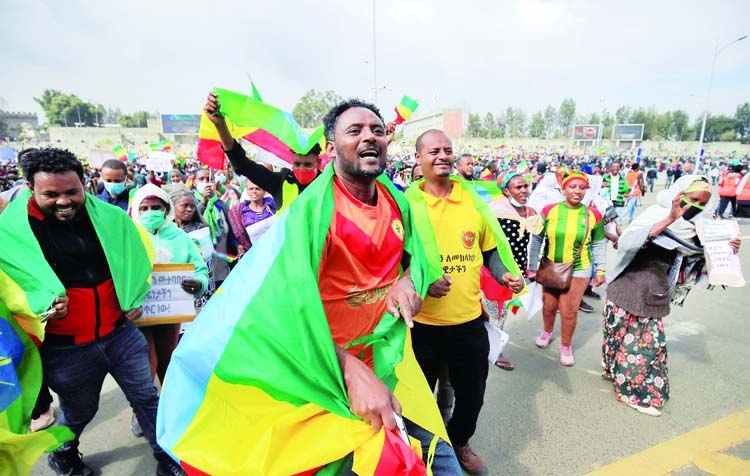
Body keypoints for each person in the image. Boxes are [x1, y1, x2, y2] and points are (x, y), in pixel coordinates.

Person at [165, 98, 451, 474]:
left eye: (377, 130)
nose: (369, 137)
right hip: (319, 371)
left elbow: (421, 258)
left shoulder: (398, 201)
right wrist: (349, 369)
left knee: (434, 460)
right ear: (331, 150)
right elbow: (283, 309)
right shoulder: (307, 215)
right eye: (355, 131)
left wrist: (407, 281)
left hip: (387, 363)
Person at [0, 148, 185, 476]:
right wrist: (37, 307)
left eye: (72, 192)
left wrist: (133, 294)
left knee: (147, 397)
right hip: (66, 348)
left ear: (85, 183)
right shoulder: (11, 236)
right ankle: (64, 452)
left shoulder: (112, 220)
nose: (63, 201)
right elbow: (8, 290)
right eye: (51, 194)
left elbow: (133, 257)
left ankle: (166, 457)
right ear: (31, 187)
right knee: (80, 410)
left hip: (121, 335)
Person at [405, 129, 524, 474]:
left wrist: (503, 274)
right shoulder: (407, 205)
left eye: (447, 150)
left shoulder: (472, 200)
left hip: (469, 321)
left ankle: (458, 443)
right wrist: (423, 283)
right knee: (418, 400)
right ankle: (419, 454)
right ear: (418, 158)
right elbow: (397, 260)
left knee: (472, 398)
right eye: (433, 151)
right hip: (421, 326)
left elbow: (488, 250)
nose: (442, 156)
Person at [602, 175, 740, 416]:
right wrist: (669, 219)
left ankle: (635, 391)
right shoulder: (656, 214)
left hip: (655, 293)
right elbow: (628, 243)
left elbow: (698, 264)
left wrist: (725, 250)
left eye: (703, 203)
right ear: (679, 193)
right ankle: (621, 380)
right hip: (626, 288)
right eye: (693, 199)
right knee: (618, 336)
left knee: (645, 347)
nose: (696, 206)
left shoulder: (697, 229)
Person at [128, 184, 209, 435]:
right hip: (139, 315)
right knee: (146, 363)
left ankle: (171, 409)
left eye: (156, 207)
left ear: (166, 210)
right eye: (144, 208)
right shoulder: (128, 235)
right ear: (136, 210)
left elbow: (200, 269)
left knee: (168, 361)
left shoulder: (180, 238)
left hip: (169, 313)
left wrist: (199, 283)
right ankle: (141, 411)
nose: (150, 212)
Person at [527, 172, 607, 366]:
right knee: (549, 306)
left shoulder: (593, 214)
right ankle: (547, 332)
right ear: (563, 189)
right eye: (572, 187)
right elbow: (537, 238)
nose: (577, 191)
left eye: (582, 188)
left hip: (580, 268)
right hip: (551, 266)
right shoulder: (549, 210)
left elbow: (599, 243)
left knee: (569, 311)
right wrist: (531, 266)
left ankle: (566, 346)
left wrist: (601, 270)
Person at [204, 91, 322, 214]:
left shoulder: (331, 184)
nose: (301, 169)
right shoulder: (281, 183)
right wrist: (220, 125)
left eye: (307, 165)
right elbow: (243, 165)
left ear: (318, 162)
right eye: (297, 164)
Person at [486, 172, 543, 370]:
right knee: (496, 313)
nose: (524, 190)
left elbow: (535, 242)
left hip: (517, 272)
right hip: (494, 270)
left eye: (525, 186)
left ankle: (489, 344)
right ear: (506, 191)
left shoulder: (532, 212)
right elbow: (487, 242)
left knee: (502, 311)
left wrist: (531, 268)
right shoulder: (496, 210)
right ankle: (494, 350)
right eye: (518, 187)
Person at [228, 179, 276, 256]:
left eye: (258, 189)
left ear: (264, 191)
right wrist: (238, 246)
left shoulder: (273, 207)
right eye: (251, 189)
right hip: (252, 255)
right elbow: (233, 237)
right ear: (246, 190)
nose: (254, 191)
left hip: (274, 251)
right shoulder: (238, 212)